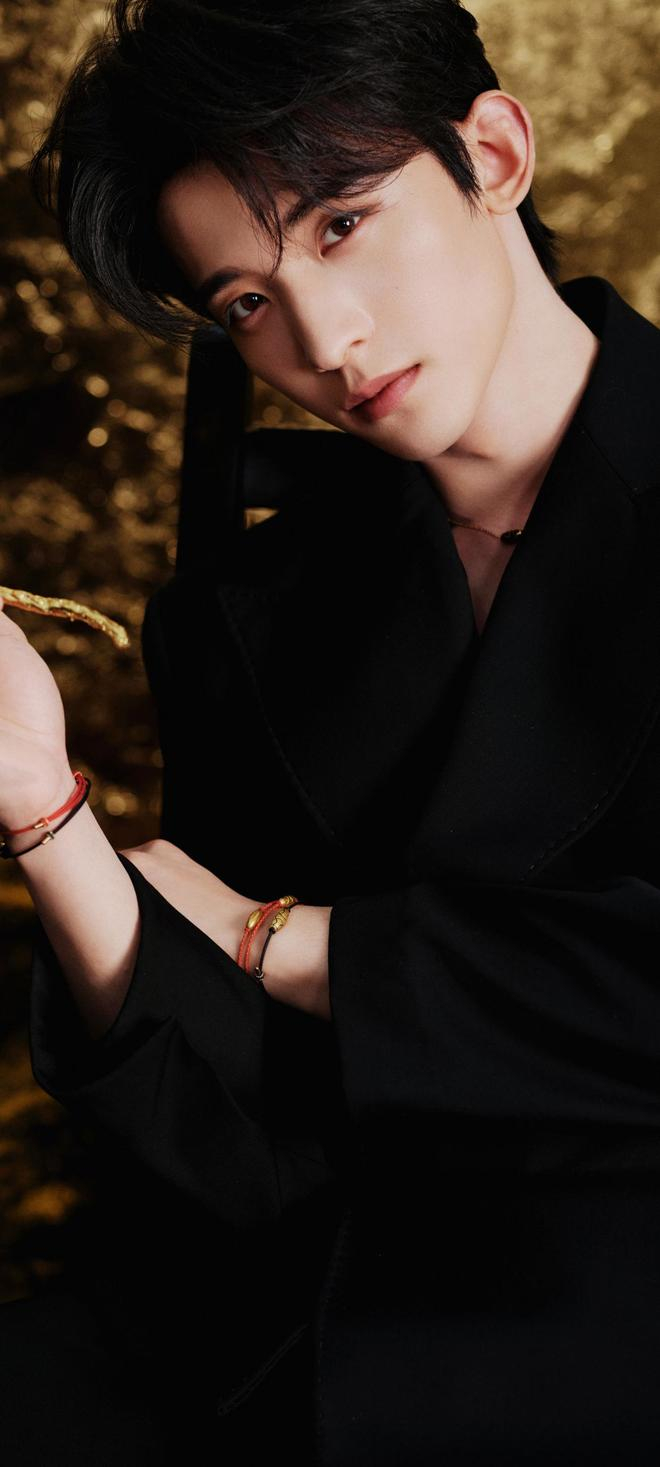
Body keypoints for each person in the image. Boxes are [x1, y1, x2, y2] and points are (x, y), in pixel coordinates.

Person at [1, 0, 660, 1461]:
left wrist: (287, 943)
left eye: (344, 225)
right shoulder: (242, 613)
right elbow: (236, 1125)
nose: (322, 340)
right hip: (300, 1305)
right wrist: (46, 814)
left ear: (494, 154)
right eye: (247, 301)